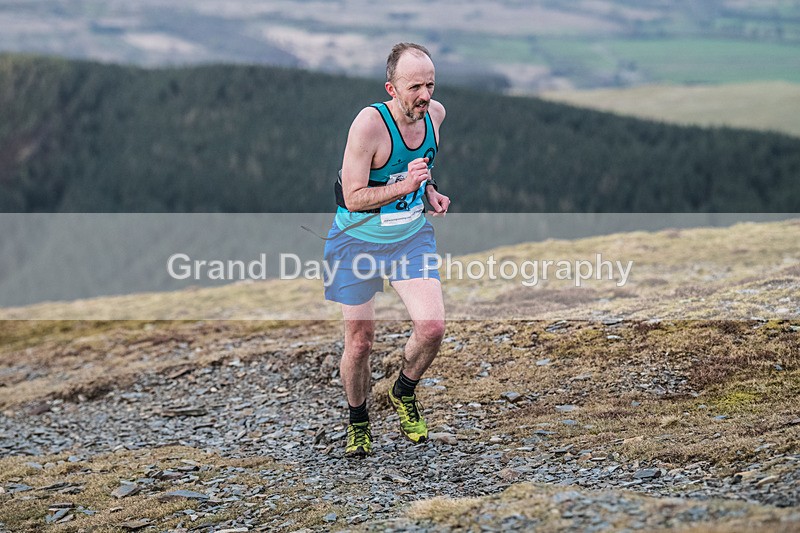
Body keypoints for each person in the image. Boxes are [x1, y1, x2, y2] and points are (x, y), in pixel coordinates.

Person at [323, 42, 450, 457]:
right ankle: (359, 421)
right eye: (415, 86)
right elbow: (353, 195)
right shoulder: (369, 125)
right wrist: (406, 187)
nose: (425, 95)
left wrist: (429, 190)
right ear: (391, 88)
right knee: (360, 341)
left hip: (410, 237)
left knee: (432, 329)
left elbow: (421, 166)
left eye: (430, 84)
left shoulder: (435, 116)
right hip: (356, 239)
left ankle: (403, 391)